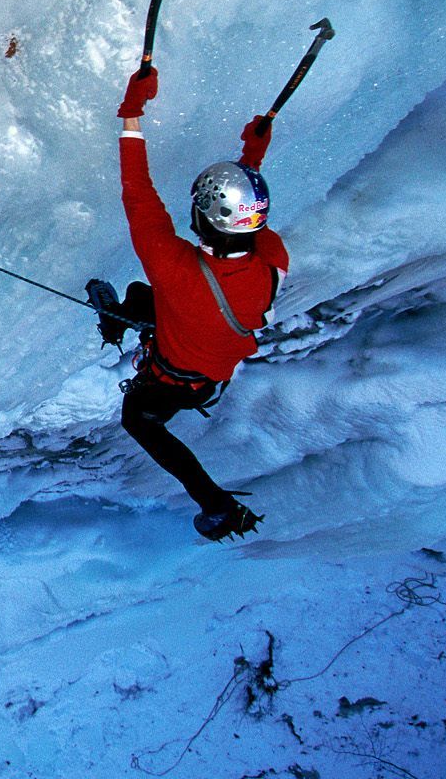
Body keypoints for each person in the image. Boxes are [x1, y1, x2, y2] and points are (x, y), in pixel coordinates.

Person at [88, 67, 289, 541]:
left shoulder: (173, 266)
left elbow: (139, 191)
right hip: (202, 377)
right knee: (143, 297)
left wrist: (131, 112)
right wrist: (250, 163)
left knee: (137, 419)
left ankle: (216, 503)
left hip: (170, 375)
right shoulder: (271, 264)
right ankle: (121, 319)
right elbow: (244, 225)